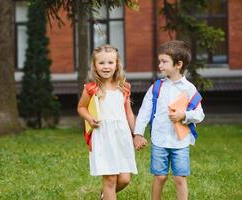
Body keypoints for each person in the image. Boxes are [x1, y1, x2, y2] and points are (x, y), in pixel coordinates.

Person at [133, 40, 205, 200]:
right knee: (160, 177)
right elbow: (144, 111)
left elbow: (200, 114)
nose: (160, 65)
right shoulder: (156, 87)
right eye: (160, 61)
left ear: (178, 64)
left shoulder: (189, 89)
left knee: (180, 178)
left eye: (164, 62)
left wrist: (184, 116)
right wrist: (138, 134)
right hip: (159, 140)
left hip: (180, 142)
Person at [77, 44, 137, 200]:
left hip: (122, 136)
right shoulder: (91, 88)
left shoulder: (124, 87)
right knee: (110, 179)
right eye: (101, 63)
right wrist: (90, 118)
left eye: (110, 62)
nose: (106, 66)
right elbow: (81, 107)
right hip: (103, 136)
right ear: (95, 66)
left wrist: (136, 134)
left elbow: (129, 113)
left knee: (124, 179)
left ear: (117, 65)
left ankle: (105, 196)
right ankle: (108, 193)